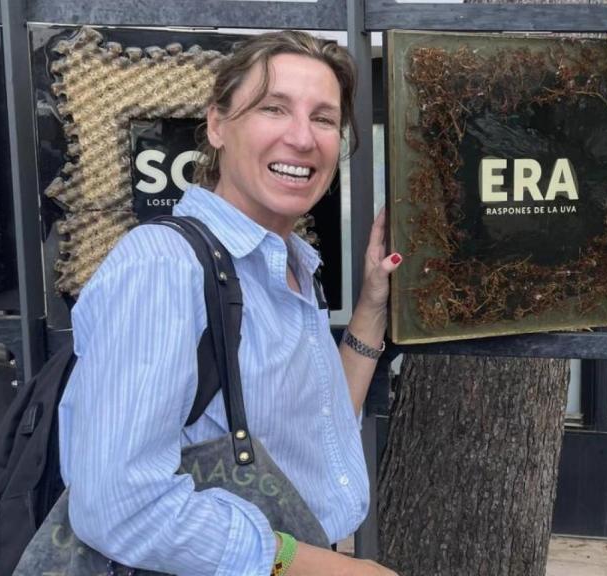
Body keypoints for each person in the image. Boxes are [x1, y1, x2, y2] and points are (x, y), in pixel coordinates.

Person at [57, 31, 399, 575]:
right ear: (217, 125)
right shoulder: (165, 267)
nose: (302, 138)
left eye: (324, 118)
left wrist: (372, 307)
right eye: (273, 108)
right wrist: (316, 567)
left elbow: (318, 423)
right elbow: (117, 507)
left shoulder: (289, 262)